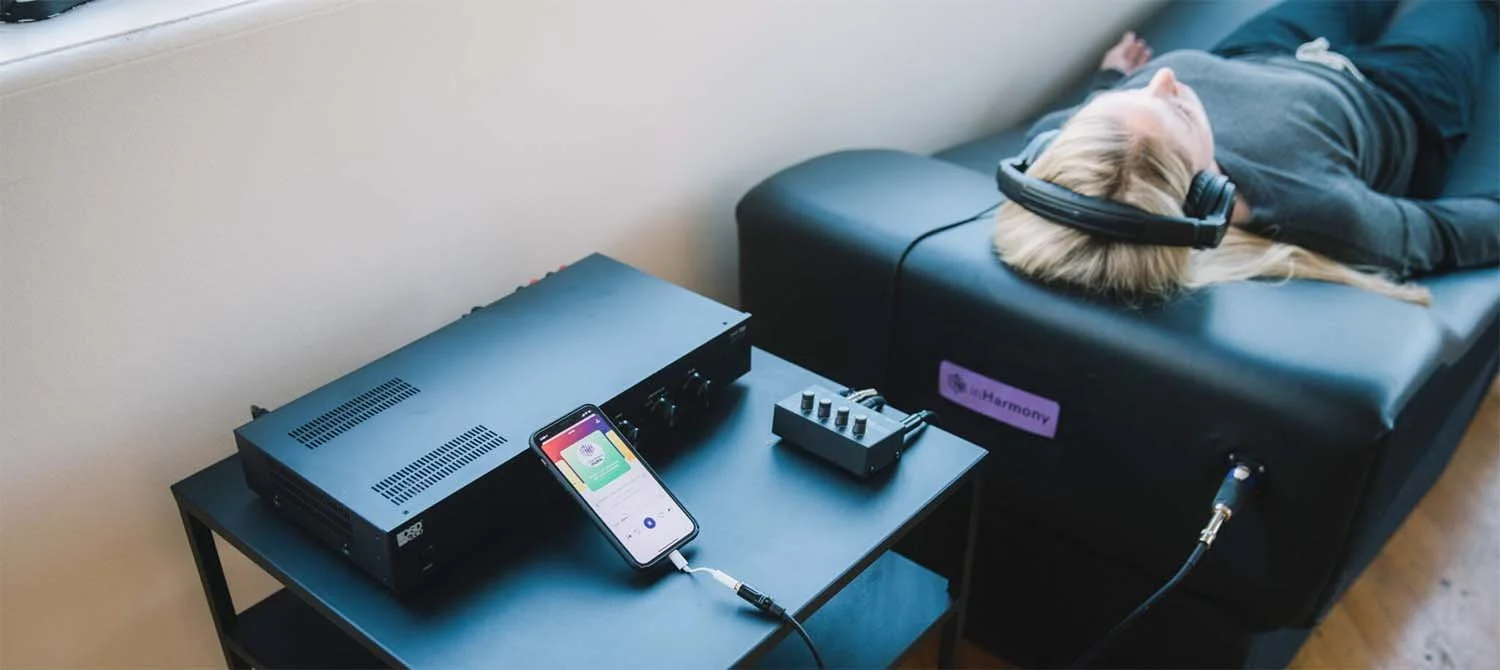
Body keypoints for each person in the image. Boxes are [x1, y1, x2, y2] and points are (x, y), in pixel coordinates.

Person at [993, 0, 1499, 304]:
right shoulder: (1315, 207)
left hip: (1259, 53)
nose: (1163, 77)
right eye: (1179, 111)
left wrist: (1110, 80)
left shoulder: (1061, 139)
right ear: (1203, 192)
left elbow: (1106, 160)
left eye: (1131, 92)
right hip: (1395, 94)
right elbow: (1443, 235)